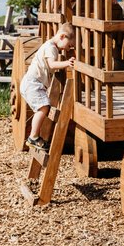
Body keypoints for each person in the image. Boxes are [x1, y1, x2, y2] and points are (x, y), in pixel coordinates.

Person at [20, 22, 76, 151]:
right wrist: (67, 63)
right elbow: (52, 65)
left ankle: (34, 136)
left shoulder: (51, 46)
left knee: (43, 107)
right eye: (69, 45)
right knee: (43, 107)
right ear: (62, 37)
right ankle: (33, 137)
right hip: (32, 83)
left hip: (33, 83)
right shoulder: (51, 48)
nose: (67, 49)